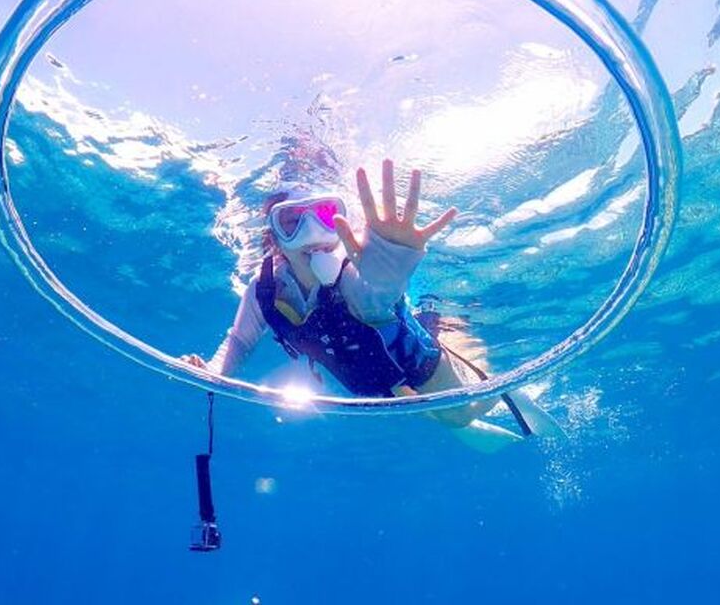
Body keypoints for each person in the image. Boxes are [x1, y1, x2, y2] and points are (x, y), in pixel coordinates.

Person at [180, 159, 560, 449]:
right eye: (292, 222)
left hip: (411, 356)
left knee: (457, 414)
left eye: (325, 216)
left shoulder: (352, 276)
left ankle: (491, 390)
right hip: (364, 379)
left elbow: (379, 295)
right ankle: (448, 410)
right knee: (420, 409)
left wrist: (394, 264)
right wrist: (212, 373)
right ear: (275, 238)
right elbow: (239, 340)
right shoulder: (263, 289)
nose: (311, 233)